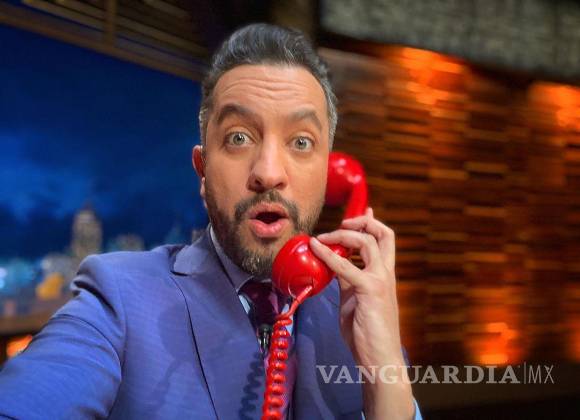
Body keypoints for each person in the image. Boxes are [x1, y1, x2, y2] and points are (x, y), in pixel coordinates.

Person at [0, 24, 421, 419]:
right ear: (203, 173)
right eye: (239, 137)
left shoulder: (354, 311)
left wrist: (385, 374)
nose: (268, 172)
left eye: (301, 141)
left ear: (329, 176)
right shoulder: (118, 299)